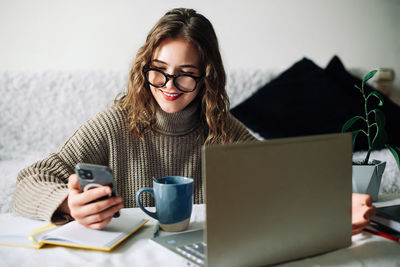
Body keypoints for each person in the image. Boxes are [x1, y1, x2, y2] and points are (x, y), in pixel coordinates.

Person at [12, 8, 375, 232]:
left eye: (186, 74)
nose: (170, 86)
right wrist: (67, 204)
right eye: (159, 71)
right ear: (145, 69)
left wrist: (337, 205)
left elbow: (279, 180)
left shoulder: (220, 128)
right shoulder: (113, 124)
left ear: (206, 78)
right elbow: (28, 182)